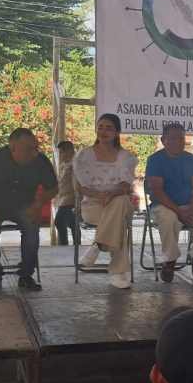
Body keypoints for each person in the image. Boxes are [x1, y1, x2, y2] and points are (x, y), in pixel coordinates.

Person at [0, 127, 58, 293]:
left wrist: (38, 204)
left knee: (31, 228)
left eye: (35, 147)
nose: (34, 153)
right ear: (13, 147)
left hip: (24, 205)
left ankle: (26, 275)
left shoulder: (40, 161)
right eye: (29, 149)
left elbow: (54, 189)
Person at [145, 122, 193, 283]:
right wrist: (180, 211)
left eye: (181, 138)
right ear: (163, 140)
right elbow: (157, 191)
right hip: (163, 205)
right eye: (173, 138)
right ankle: (170, 260)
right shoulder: (155, 160)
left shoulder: (192, 159)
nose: (179, 141)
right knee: (169, 218)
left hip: (189, 205)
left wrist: (190, 209)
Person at [73, 113, 137, 289]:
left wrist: (111, 193)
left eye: (109, 128)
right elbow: (79, 187)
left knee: (121, 200)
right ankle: (119, 272)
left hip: (117, 201)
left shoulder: (125, 157)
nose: (103, 131)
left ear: (117, 132)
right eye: (100, 127)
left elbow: (125, 185)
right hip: (93, 205)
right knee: (119, 222)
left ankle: (98, 244)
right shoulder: (84, 155)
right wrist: (98, 195)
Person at [54, 140, 79, 245]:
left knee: (59, 221)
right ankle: (71, 245)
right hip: (63, 198)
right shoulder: (64, 165)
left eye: (61, 152)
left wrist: (78, 199)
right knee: (72, 224)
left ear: (68, 151)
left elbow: (77, 182)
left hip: (71, 199)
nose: (60, 155)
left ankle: (66, 245)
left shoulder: (75, 164)